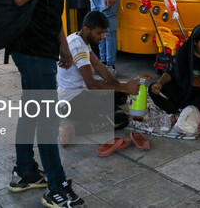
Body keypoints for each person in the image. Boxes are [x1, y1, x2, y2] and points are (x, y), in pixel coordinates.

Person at [7, 0, 86, 207]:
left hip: (42, 43)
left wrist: (64, 44)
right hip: (30, 47)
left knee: (32, 110)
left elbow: (50, 8)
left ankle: (25, 171)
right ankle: (56, 187)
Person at [57, 11, 140, 146]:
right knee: (121, 119)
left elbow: (98, 66)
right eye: (99, 33)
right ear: (86, 29)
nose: (102, 37)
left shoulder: (79, 38)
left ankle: (102, 110)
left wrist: (120, 88)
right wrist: (124, 87)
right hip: (71, 103)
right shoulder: (78, 48)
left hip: (79, 95)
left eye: (104, 33)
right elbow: (92, 84)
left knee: (120, 97)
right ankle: (72, 129)